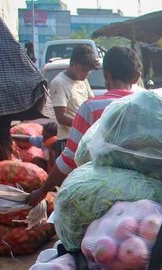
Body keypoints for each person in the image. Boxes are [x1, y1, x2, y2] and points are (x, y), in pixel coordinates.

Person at [27, 47, 142, 206]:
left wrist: (43, 190)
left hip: (100, 194)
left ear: (106, 75)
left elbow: (69, 159)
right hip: (140, 193)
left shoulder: (91, 108)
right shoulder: (148, 106)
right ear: (136, 77)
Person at [48, 44, 97, 156]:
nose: (86, 74)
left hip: (84, 140)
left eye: (89, 71)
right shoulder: (59, 82)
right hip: (67, 141)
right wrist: (85, 124)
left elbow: (92, 102)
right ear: (73, 64)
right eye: (83, 70)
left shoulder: (83, 81)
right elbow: (61, 117)